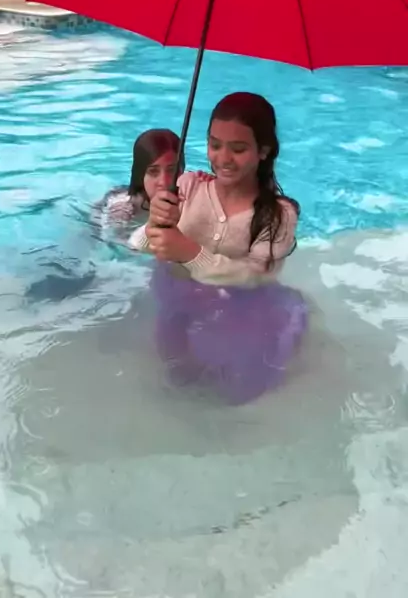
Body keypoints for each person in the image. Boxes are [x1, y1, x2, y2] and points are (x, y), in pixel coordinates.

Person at [129, 93, 307, 403]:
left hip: (243, 314)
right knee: (176, 382)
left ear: (263, 151)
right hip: (178, 303)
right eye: (215, 145)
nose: (223, 158)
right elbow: (138, 245)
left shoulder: (278, 214)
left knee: (239, 394)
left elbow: (254, 276)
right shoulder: (188, 187)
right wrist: (155, 222)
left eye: (238, 149)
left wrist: (190, 253)